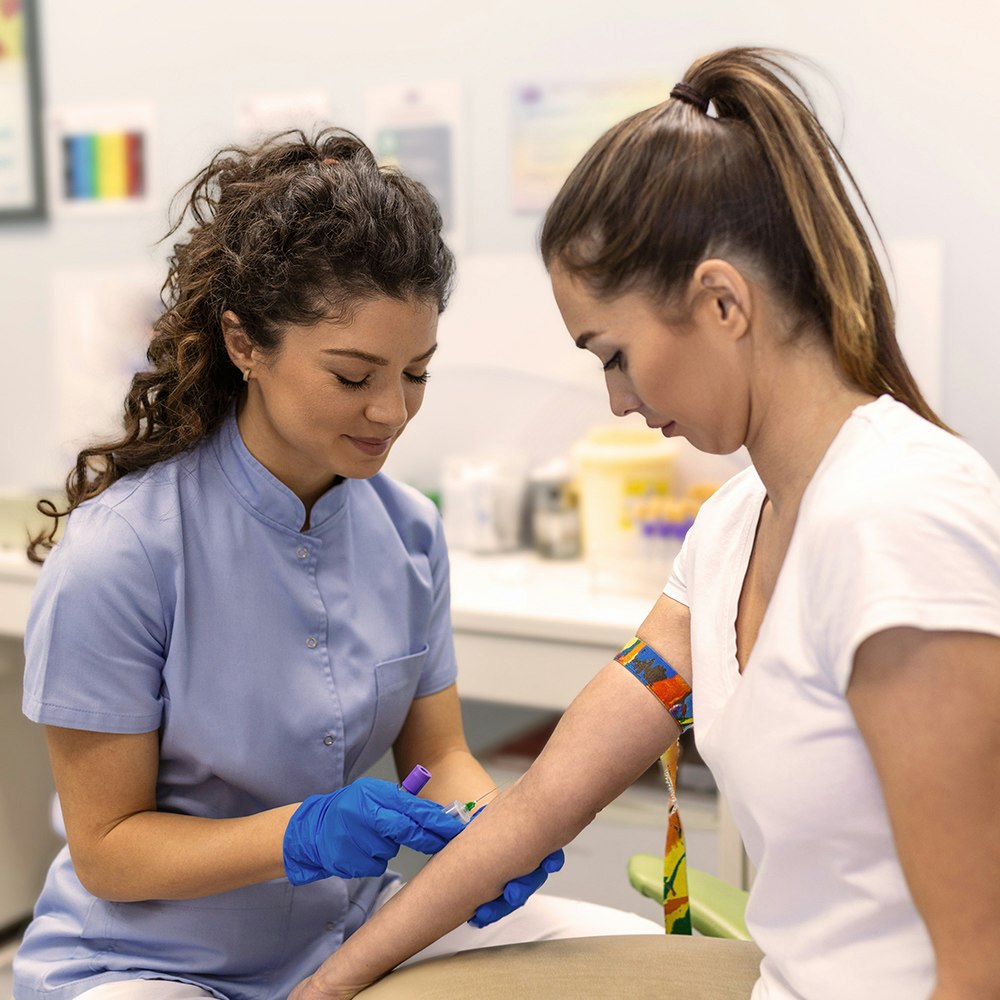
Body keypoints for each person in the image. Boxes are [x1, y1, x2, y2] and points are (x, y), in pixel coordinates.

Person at [286, 47, 1000, 1000]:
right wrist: (329, 985)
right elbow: (541, 805)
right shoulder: (734, 530)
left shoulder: (899, 522)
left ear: (721, 302)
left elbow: (982, 961)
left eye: (615, 355)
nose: (617, 401)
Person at [13, 129, 661, 1000]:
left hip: (358, 935)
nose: (392, 411)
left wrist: (488, 827)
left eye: (416, 373)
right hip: (150, 967)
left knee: (629, 962)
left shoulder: (408, 533)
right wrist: (299, 834)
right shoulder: (121, 555)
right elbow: (108, 850)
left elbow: (444, 753)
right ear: (245, 345)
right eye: (353, 376)